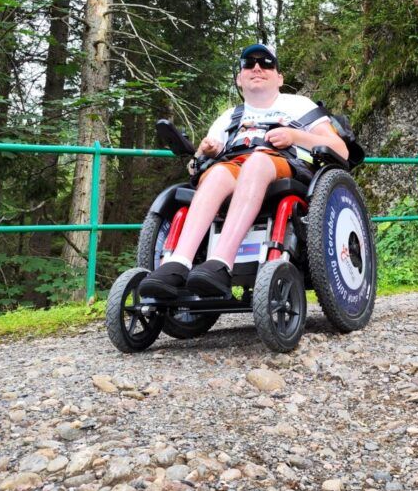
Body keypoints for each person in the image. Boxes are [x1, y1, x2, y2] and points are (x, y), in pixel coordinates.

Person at [139, 43, 348, 299]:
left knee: (256, 162)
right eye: (248, 64)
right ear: (239, 79)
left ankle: (220, 263)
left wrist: (294, 135)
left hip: (282, 167)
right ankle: (178, 263)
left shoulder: (298, 105)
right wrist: (206, 151)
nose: (257, 67)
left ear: (279, 77)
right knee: (215, 173)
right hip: (232, 168)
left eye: (266, 63)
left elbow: (341, 148)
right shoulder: (229, 117)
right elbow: (192, 167)